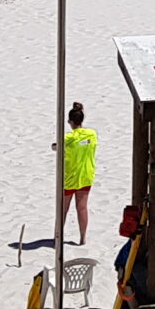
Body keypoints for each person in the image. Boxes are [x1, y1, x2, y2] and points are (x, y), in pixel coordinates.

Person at [61, 102, 97, 245]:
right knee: (82, 208)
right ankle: (83, 238)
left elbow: (57, 146)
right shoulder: (92, 134)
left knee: (63, 209)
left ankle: (59, 235)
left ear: (70, 122)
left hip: (70, 177)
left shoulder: (69, 138)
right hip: (86, 175)